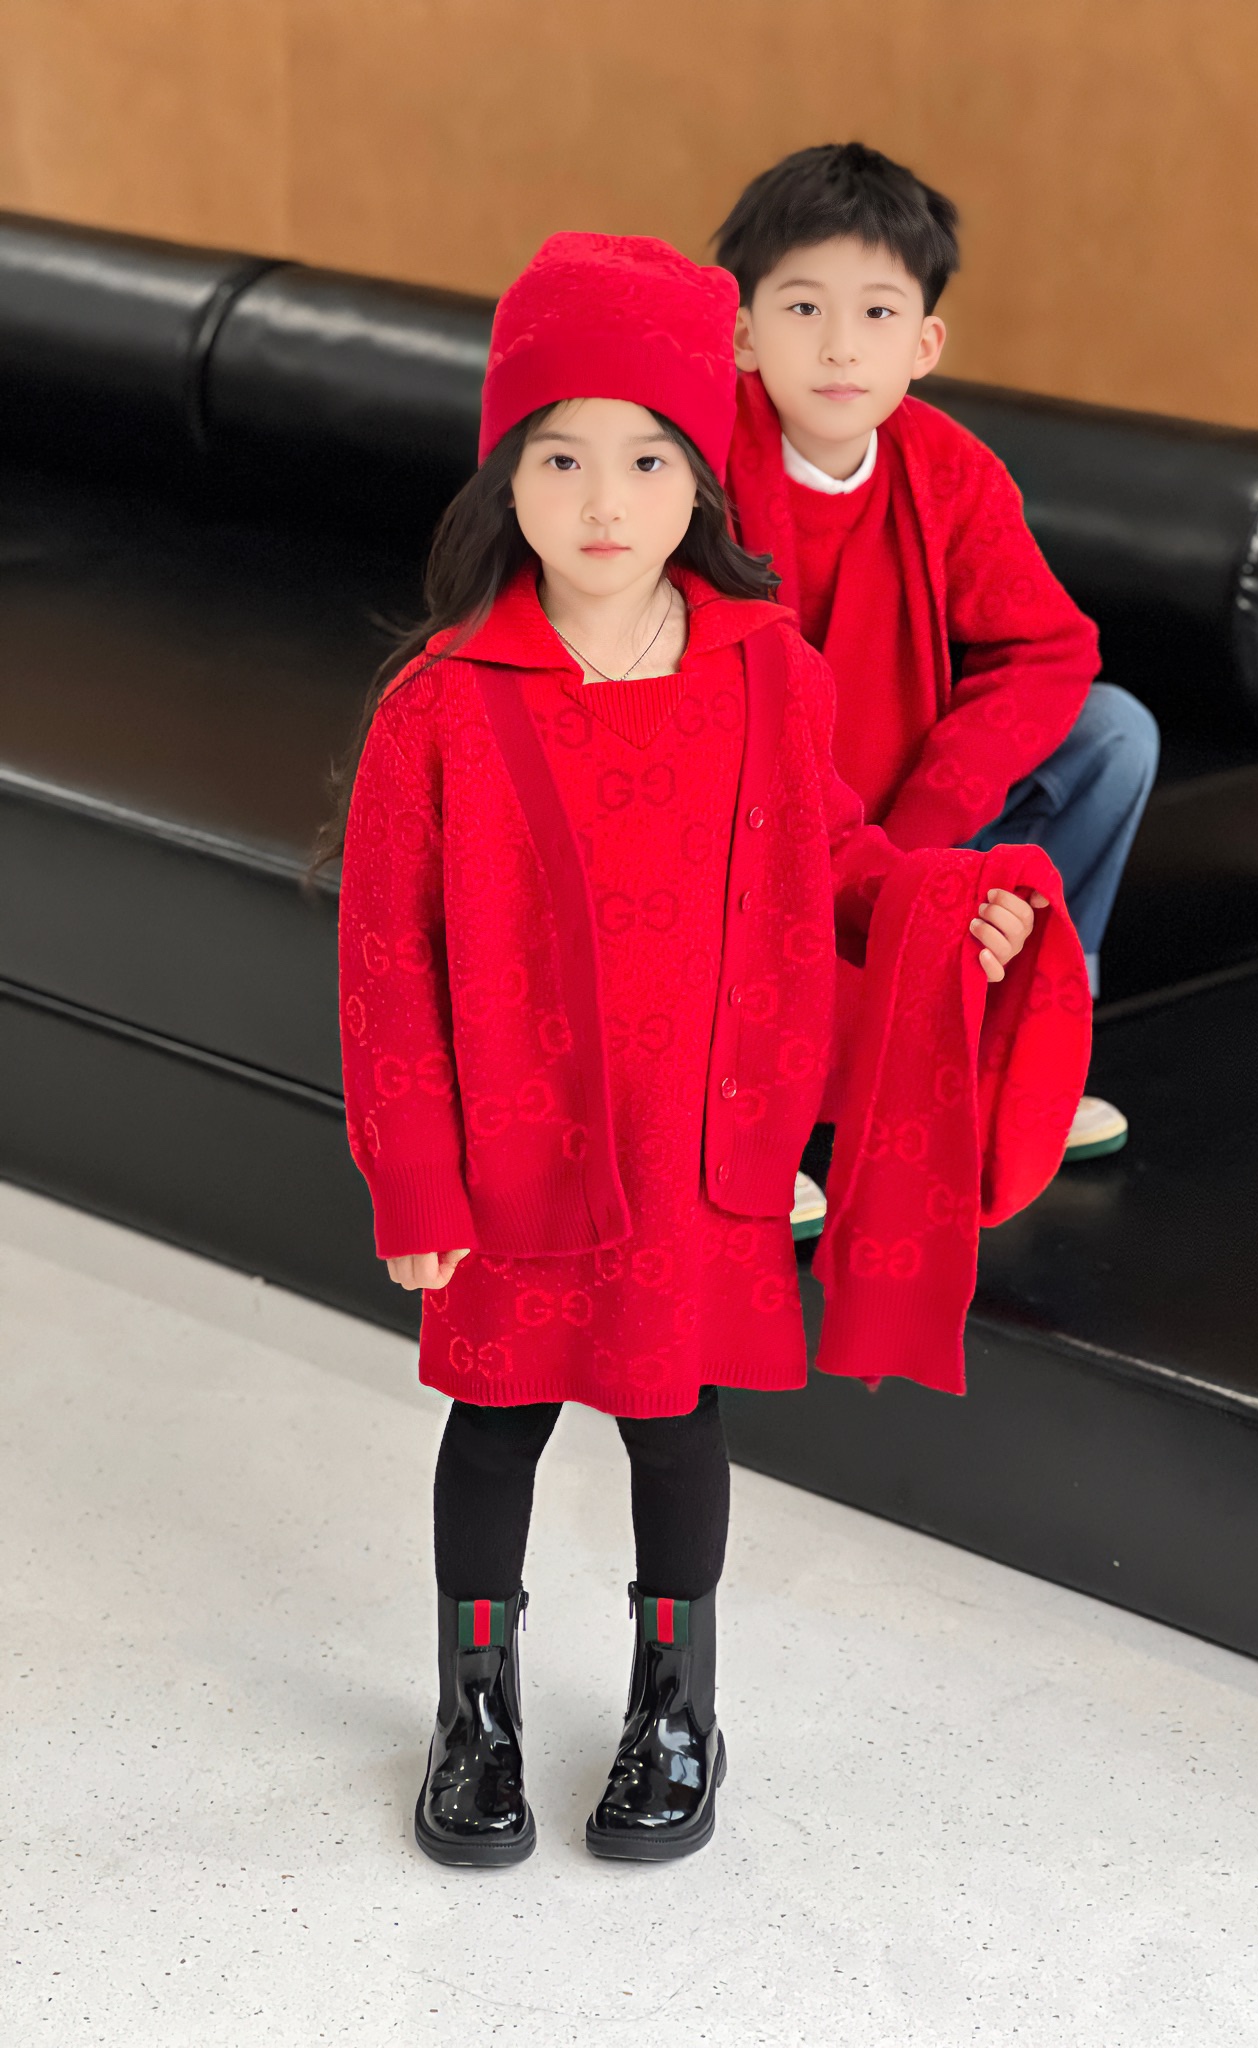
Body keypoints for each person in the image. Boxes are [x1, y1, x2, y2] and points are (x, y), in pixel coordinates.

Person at [323, 234, 1082, 1870]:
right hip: (514, 1157)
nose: (605, 500)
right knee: (498, 1422)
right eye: (561, 458)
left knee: (678, 1426)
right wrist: (416, 1179)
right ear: (504, 476)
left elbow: (837, 851)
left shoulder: (765, 672)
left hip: (695, 1151)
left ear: (700, 482)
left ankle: (678, 1706)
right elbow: (386, 965)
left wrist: (946, 906)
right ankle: (474, 1710)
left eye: (650, 459)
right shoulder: (439, 705)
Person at [717, 142, 1159, 1168]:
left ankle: (1022, 1036)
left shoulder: (949, 468)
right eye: (802, 307)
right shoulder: (699, 464)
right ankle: (747, 1096)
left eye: (876, 313)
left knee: (1114, 732)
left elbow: (1051, 647)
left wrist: (923, 830)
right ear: (742, 332)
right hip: (761, 815)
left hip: (905, 808)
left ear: (924, 343)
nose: (840, 348)